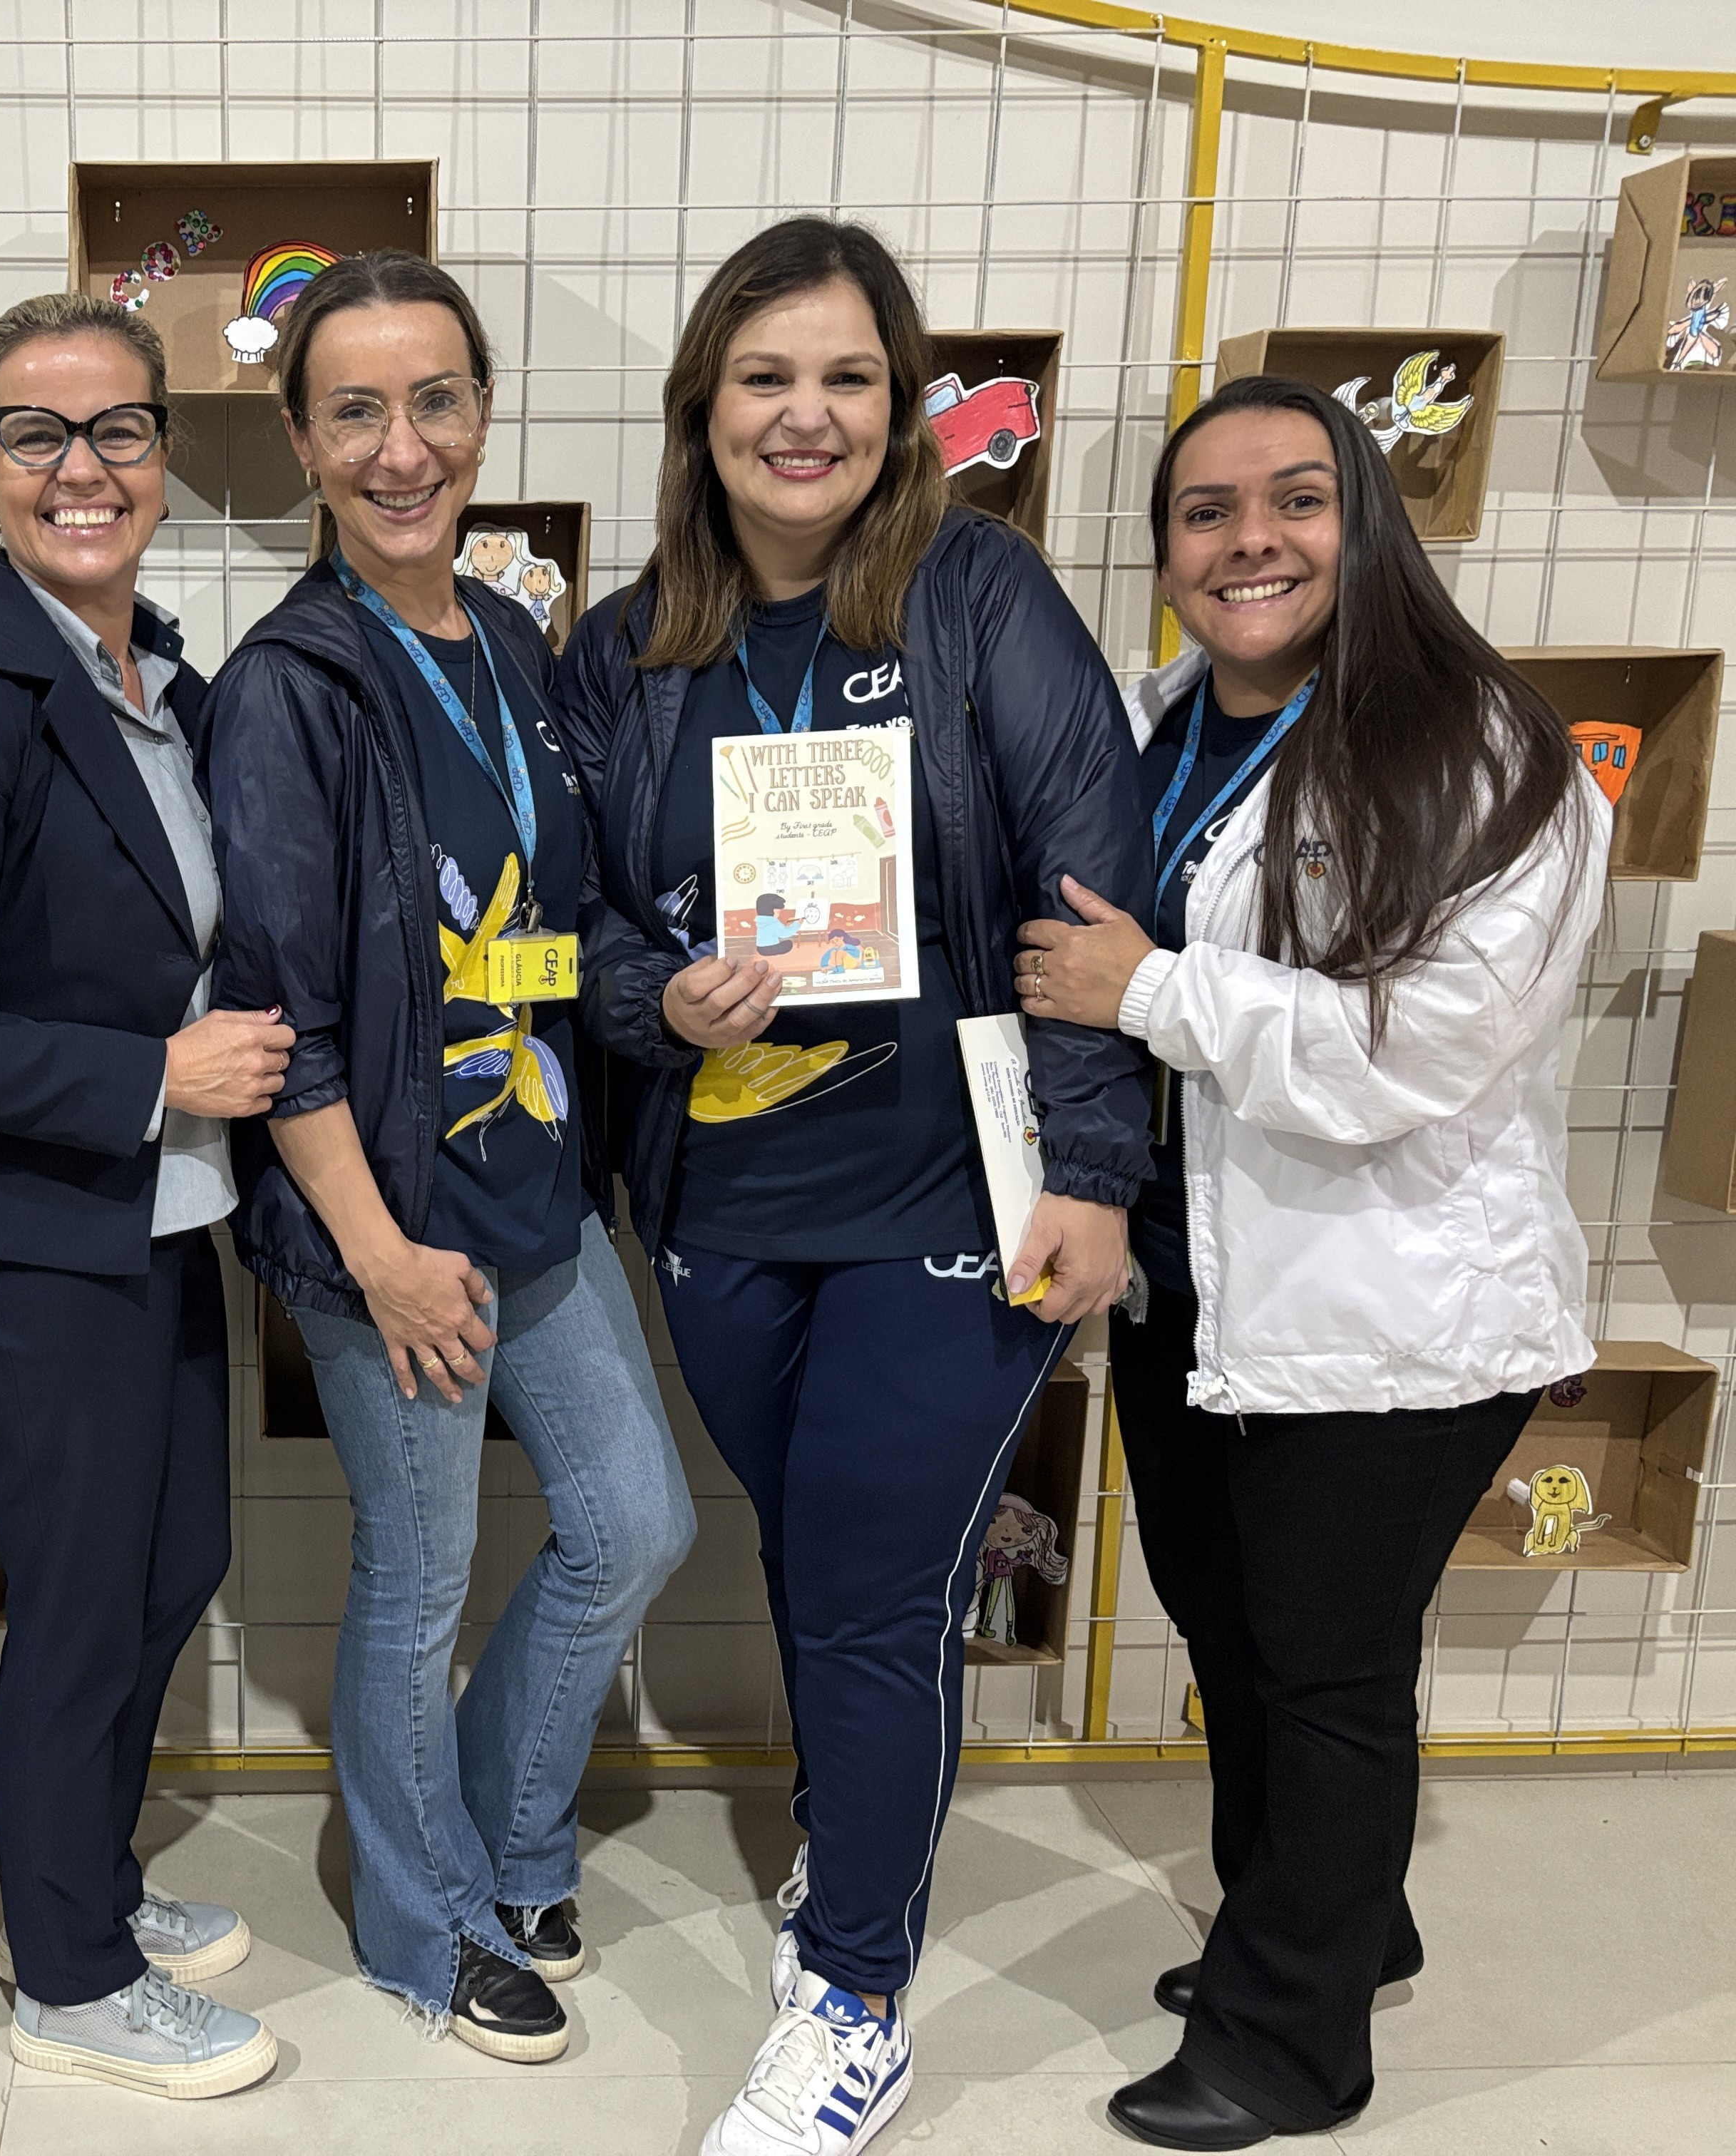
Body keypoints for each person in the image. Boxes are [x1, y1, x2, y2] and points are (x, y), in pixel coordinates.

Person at [557, 216, 1151, 2156]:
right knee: (818, 1560)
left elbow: (1088, 881)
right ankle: (856, 1836)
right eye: (766, 377)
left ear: (899, 409)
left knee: (877, 1595)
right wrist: (659, 998)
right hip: (724, 1210)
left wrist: (1097, 1171)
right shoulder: (625, 645)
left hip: (950, 1203)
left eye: (847, 378)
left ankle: (857, 1997)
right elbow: (574, 929)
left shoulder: (979, 595)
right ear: (703, 408)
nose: (804, 416)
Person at [1013, 374, 1606, 2152]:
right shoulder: (1155, 725)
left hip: (1394, 1313)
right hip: (1196, 1287)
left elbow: (1419, 1049)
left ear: (1368, 519)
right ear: (1164, 553)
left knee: (1329, 1668)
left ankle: (1289, 2046)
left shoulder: (1484, 754)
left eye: (1295, 499)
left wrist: (1149, 992)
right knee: (1233, 1628)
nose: (1248, 541)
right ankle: (1337, 1923)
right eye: (1205, 512)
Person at [203, 249, 697, 2064]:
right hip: (392, 1224)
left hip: (535, 1185)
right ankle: (428, 1925)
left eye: (435, 403)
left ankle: (501, 1832)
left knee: (634, 1526)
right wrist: (380, 1253)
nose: (401, 448)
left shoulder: (508, 640)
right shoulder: (291, 686)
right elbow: (283, 1014)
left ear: (484, 413)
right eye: (356, 412)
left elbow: (557, 926)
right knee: (416, 1589)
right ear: (301, 440)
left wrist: (669, 998)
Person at [0, 292, 289, 2102]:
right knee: (88, 1604)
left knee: (175, 1565)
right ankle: (74, 1980)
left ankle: (76, 1881)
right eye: (38, 434)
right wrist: (151, 1080)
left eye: (118, 431)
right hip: (31, 1238)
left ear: (165, 458)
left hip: (157, 1220)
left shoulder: (152, 680)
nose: (81, 467)